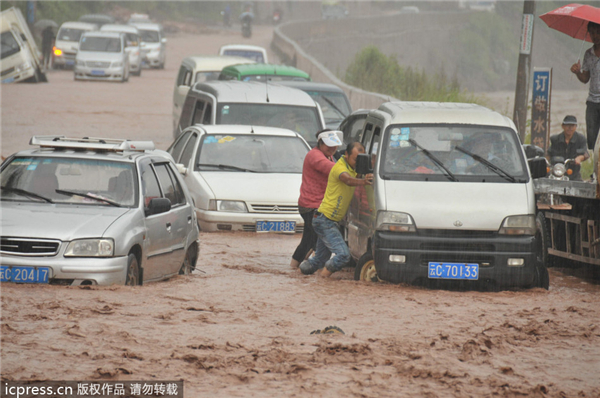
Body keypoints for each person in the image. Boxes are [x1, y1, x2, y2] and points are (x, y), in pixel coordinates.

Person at [299, 142, 373, 277]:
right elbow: (348, 180)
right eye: (355, 159)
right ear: (346, 155)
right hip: (324, 220)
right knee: (343, 255)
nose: (357, 163)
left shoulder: (353, 169)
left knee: (318, 260)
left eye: (360, 160)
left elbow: (354, 177)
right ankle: (323, 281)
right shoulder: (340, 167)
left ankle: (297, 275)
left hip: (327, 220)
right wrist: (364, 181)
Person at [290, 130, 341, 268]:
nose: (332, 149)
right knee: (310, 241)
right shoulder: (315, 156)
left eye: (334, 146)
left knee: (311, 240)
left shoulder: (328, 155)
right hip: (311, 205)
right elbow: (335, 170)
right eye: (329, 146)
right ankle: (296, 268)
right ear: (320, 143)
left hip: (316, 205)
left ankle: (298, 268)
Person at [570, 21, 600, 151]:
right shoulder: (589, 54)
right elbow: (585, 79)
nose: (595, 36)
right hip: (593, 101)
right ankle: (596, 168)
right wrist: (577, 72)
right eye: (592, 33)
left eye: (598, 32)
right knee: (592, 139)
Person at [547, 115, 590, 181]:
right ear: (562, 126)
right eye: (567, 125)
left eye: (572, 126)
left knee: (580, 187)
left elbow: (586, 153)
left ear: (576, 127)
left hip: (573, 172)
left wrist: (579, 158)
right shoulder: (555, 139)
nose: (570, 128)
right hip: (557, 171)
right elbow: (549, 153)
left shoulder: (581, 139)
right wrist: (546, 162)